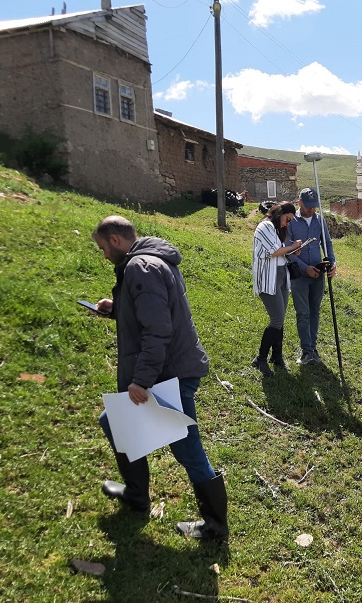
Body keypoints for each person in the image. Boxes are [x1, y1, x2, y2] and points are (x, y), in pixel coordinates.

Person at [91, 215, 227, 541]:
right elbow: (153, 312)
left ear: (114, 240)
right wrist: (118, 307)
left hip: (169, 375)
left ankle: (215, 526)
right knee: (113, 421)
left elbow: (157, 330)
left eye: (102, 248)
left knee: (188, 451)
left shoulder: (141, 268)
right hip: (168, 369)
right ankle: (137, 495)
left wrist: (141, 381)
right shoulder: (150, 261)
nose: (104, 255)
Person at [285, 188, 337, 365]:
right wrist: (304, 268)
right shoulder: (291, 221)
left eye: (314, 207)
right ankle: (306, 351)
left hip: (318, 273)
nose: (311, 210)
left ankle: (313, 349)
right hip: (299, 274)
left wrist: (333, 262)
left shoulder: (319, 220)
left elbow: (327, 244)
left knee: (315, 311)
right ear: (299, 202)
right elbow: (288, 250)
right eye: (308, 206)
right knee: (303, 313)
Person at [251, 202, 302, 377]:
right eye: (287, 219)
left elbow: (280, 251)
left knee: (280, 319)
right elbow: (273, 252)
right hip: (268, 278)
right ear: (280, 213)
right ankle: (260, 359)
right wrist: (293, 247)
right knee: (277, 319)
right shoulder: (265, 225)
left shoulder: (276, 229)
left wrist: (291, 251)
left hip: (280, 276)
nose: (286, 224)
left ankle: (277, 357)